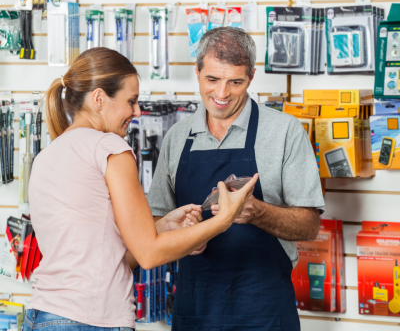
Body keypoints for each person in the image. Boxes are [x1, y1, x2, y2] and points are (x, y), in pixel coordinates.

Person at [22, 47, 258, 331]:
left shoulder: (49, 154)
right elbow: (149, 255)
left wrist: (163, 228)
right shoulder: (110, 148)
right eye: (131, 101)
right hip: (90, 320)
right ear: (99, 99)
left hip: (43, 316)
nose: (137, 111)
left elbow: (110, 257)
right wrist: (223, 220)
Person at [147, 27, 325, 331]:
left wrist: (258, 212)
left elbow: (309, 225)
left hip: (265, 314)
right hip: (194, 312)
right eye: (212, 80)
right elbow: (154, 224)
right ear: (197, 71)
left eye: (235, 82)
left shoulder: (284, 132)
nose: (221, 93)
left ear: (252, 77)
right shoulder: (178, 137)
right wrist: (181, 237)